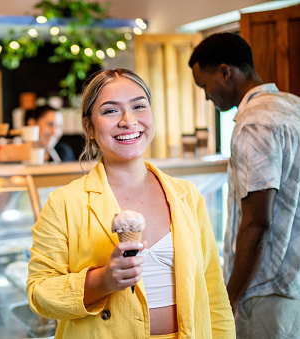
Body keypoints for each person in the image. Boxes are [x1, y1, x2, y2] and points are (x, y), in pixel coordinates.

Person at [26, 68, 235, 338]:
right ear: (89, 127)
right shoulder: (64, 203)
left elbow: (213, 292)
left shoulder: (186, 195)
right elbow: (38, 293)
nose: (128, 120)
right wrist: (102, 281)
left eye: (139, 106)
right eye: (111, 111)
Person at [189, 32, 300, 338]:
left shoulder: (254, 123)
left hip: (267, 291)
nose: (206, 96)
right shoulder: (292, 106)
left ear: (225, 72)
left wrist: (231, 296)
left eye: (203, 85)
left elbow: (256, 224)